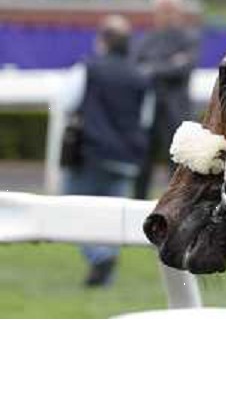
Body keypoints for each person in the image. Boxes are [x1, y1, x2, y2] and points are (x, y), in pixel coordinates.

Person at [61, 15, 154, 286]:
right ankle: (105, 270)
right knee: (114, 216)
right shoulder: (141, 77)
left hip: (90, 152)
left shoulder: (87, 69)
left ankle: (99, 256)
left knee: (69, 209)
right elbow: (145, 119)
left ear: (102, 41)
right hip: (127, 156)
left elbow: (67, 102)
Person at [132, 0, 200, 199]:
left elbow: (182, 67)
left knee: (178, 167)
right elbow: (136, 68)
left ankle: (178, 206)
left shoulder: (189, 37)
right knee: (142, 163)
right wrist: (166, 65)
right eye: (162, 9)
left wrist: (153, 68)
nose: (167, 15)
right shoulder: (146, 40)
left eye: (171, 9)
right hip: (149, 111)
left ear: (179, 12)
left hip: (176, 111)